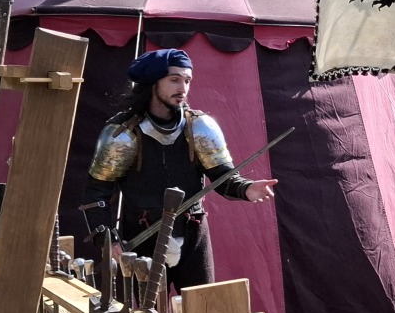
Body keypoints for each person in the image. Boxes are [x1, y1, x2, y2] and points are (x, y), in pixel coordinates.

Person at [83, 48, 277, 291]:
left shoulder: (200, 127)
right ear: (153, 82)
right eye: (175, 79)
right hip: (142, 238)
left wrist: (246, 189)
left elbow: (223, 178)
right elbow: (96, 193)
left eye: (187, 80)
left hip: (193, 236)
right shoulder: (122, 134)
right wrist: (107, 240)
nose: (183, 88)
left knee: (202, 307)